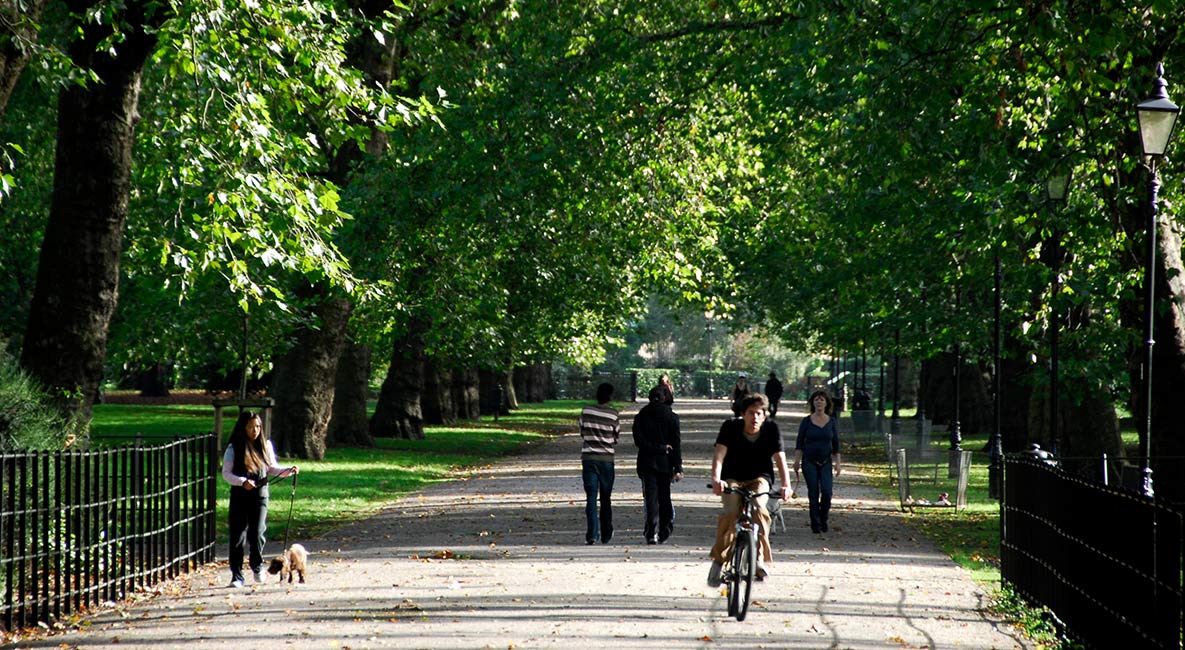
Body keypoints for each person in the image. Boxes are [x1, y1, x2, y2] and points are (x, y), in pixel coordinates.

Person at [708, 393, 790, 586]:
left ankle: (758, 558)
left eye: (759, 414)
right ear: (743, 414)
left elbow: (780, 459)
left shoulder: (771, 429)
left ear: (765, 415)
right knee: (730, 513)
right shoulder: (730, 427)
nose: (755, 418)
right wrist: (716, 480)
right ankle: (719, 561)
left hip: (759, 478)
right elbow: (719, 454)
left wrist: (785, 485)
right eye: (751, 413)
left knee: (759, 509)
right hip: (732, 478)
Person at [222, 410, 298, 588]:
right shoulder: (234, 447)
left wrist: (289, 470)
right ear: (243, 428)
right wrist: (242, 482)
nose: (254, 430)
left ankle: (257, 565)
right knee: (237, 535)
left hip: (260, 495)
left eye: (257, 426)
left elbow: (272, 468)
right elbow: (226, 474)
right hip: (240, 496)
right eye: (250, 427)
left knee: (257, 532)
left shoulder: (266, 445)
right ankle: (237, 575)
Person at [632, 386, 683, 544]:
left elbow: (639, 441)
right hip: (665, 462)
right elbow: (676, 444)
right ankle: (664, 528)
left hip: (646, 461)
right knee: (664, 496)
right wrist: (678, 466)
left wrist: (655, 447)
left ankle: (651, 531)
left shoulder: (641, 416)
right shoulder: (672, 417)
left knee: (651, 498)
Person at [794, 390, 842, 534]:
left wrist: (838, 463)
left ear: (826, 403)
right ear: (812, 403)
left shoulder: (832, 422)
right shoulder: (806, 421)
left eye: (822, 400)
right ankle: (816, 524)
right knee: (813, 492)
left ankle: (823, 518)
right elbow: (799, 443)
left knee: (827, 492)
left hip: (826, 461)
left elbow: (836, 444)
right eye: (816, 400)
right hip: (809, 461)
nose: (819, 402)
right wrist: (796, 462)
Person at [579, 383, 621, 545]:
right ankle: (606, 532)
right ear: (610, 396)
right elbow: (615, 438)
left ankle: (592, 534)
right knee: (605, 497)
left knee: (590, 497)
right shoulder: (613, 414)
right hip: (606, 460)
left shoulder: (586, 411)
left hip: (589, 458)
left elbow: (582, 432)